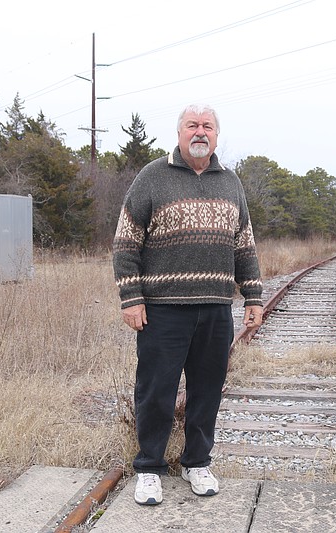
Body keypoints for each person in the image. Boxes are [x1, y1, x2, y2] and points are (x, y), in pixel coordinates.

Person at [112, 104, 264, 506]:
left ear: (216, 135)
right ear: (179, 133)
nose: (200, 132)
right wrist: (131, 298)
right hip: (163, 310)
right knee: (156, 391)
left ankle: (197, 462)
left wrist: (253, 295)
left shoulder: (230, 182)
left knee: (207, 390)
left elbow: (243, 245)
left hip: (215, 309)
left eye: (207, 126)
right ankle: (148, 468)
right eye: (192, 125)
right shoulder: (153, 177)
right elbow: (126, 242)